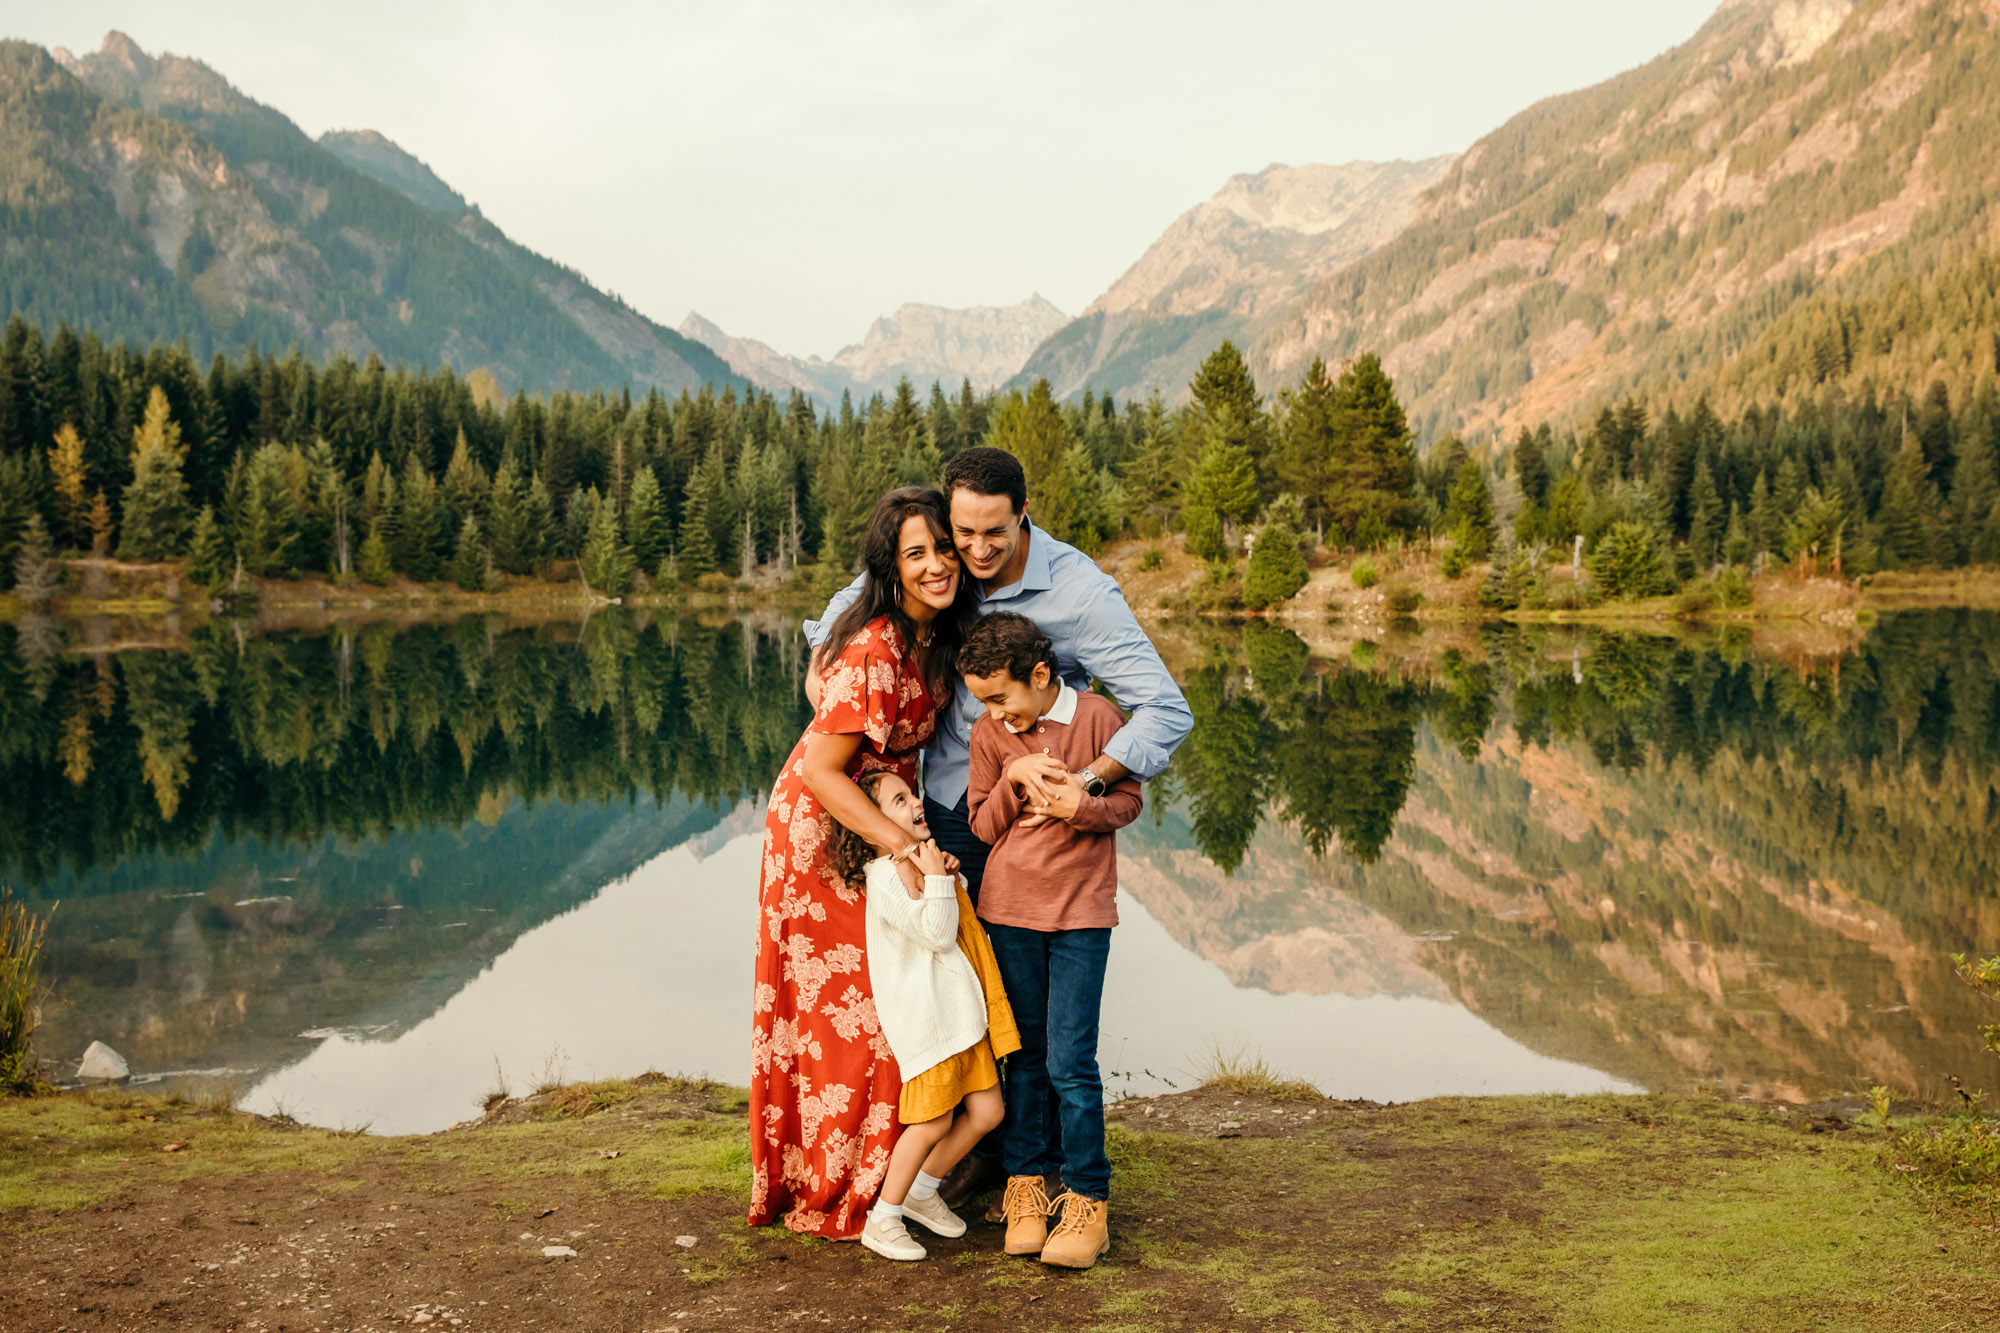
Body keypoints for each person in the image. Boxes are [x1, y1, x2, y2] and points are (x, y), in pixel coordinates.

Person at [805, 446, 1194, 1209]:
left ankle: (1035, 1168)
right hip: (948, 805)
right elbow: (829, 626)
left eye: (993, 533)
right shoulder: (940, 557)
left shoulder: (1081, 594)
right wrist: (830, 689)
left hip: (1033, 826)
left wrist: (1084, 781)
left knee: (1022, 1005)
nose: (974, 553)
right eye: (962, 533)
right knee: (960, 992)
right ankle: (986, 1157)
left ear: (1024, 513)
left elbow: (1167, 710)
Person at [749, 487, 976, 1240]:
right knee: (852, 1014)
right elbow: (821, 770)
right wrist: (903, 843)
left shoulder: (930, 634)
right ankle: (843, 1184)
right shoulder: (876, 645)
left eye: (945, 547)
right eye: (918, 552)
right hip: (826, 837)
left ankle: (893, 1181)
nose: (938, 563)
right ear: (893, 565)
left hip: (878, 820)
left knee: (887, 1007)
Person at [962, 611, 1142, 1269]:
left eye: (1001, 695)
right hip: (1008, 910)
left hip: (1081, 917)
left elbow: (1128, 803)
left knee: (1072, 1060)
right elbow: (982, 827)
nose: (994, 712)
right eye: (983, 700)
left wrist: (1080, 808)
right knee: (1028, 1057)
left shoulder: (1098, 717)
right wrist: (1012, 780)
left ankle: (1088, 1198)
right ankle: (1027, 1188)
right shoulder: (990, 732)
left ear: (1041, 675)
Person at [825, 770, 1021, 1261]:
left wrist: (949, 876)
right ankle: (883, 1217)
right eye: (899, 799)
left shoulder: (920, 863)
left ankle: (921, 1191)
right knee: (931, 1123)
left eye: (912, 793)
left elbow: (956, 919)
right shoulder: (885, 877)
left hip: (964, 1016)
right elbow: (934, 934)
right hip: (931, 1023)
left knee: (988, 1112)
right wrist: (936, 880)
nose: (916, 802)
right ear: (871, 823)